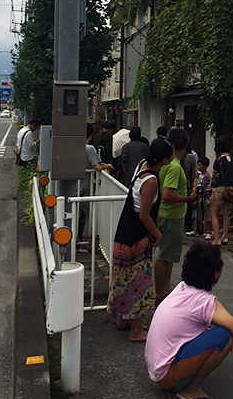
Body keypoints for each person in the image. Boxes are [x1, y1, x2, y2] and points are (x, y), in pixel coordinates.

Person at [145, 241, 233, 399]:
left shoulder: (181, 289)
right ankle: (190, 389)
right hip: (167, 376)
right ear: (215, 274)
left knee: (219, 333)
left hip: (157, 368)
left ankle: (186, 379)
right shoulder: (204, 302)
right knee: (225, 336)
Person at [107, 137, 173, 342]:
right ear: (164, 159)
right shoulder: (151, 181)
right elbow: (144, 214)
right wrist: (158, 234)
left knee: (124, 280)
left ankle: (123, 320)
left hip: (124, 235)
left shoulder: (143, 169)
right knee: (139, 282)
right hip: (136, 239)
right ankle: (137, 330)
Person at [154, 128, 197, 303]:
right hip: (170, 215)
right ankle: (159, 292)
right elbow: (167, 194)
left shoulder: (168, 164)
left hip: (169, 214)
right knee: (165, 256)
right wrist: (189, 198)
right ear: (186, 145)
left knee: (169, 256)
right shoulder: (174, 167)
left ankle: (165, 289)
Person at [79, 123, 113, 242]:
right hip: (85, 187)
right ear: (91, 134)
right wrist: (106, 166)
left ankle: (74, 238)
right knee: (90, 213)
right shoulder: (89, 149)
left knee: (73, 213)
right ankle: (86, 239)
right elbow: (97, 167)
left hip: (73, 186)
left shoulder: (72, 147)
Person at [210, 137, 233, 246]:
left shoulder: (218, 160)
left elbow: (216, 175)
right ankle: (225, 236)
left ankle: (216, 239)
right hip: (229, 189)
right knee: (226, 214)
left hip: (219, 189)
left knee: (213, 214)